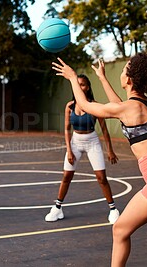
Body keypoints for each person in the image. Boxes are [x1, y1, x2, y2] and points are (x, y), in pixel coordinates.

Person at [52, 54, 147, 267]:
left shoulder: (129, 108)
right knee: (120, 229)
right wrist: (102, 78)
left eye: (124, 70)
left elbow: (85, 105)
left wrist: (73, 78)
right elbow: (120, 106)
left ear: (130, 79)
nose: (121, 73)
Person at [45, 74, 120, 224]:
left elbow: (104, 130)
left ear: (88, 87)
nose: (81, 87)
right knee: (67, 176)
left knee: (101, 178)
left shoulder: (95, 106)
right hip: (75, 142)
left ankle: (113, 210)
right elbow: (66, 129)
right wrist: (69, 150)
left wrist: (110, 150)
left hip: (92, 141)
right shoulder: (69, 106)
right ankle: (57, 208)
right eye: (78, 84)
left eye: (84, 84)